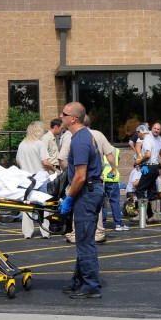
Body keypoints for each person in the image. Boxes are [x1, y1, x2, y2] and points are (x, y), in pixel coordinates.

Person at [59, 102, 104, 299]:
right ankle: (79, 281)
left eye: (64, 113)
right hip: (92, 191)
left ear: (73, 118)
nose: (60, 116)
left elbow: (80, 176)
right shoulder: (86, 136)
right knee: (83, 239)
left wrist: (68, 198)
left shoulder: (79, 141)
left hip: (86, 193)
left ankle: (91, 286)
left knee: (85, 241)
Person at [16, 121, 56, 238]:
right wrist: (54, 170)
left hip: (26, 178)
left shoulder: (22, 144)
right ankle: (45, 231)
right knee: (44, 205)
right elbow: (45, 162)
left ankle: (27, 232)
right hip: (40, 178)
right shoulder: (39, 144)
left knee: (27, 206)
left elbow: (18, 161)